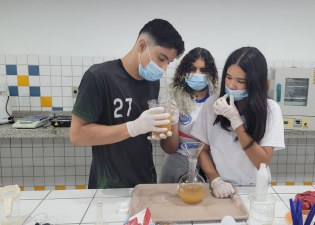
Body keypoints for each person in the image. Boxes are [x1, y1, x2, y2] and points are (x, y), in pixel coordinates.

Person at [69, 19, 185, 189]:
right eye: (161, 58)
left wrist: (168, 124)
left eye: (169, 62)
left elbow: (152, 135)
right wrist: (133, 127)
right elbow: (77, 135)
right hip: (108, 185)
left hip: (145, 183)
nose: (163, 68)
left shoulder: (152, 82)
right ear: (142, 45)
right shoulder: (98, 77)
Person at [190, 47, 285, 198]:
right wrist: (215, 180)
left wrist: (237, 122)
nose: (231, 85)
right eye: (228, 77)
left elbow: (262, 162)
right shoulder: (212, 104)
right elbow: (201, 149)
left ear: (255, 83)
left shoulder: (271, 110)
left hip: (255, 189)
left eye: (241, 81)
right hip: (220, 188)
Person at [160, 47, 219, 183]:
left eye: (203, 70)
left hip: (210, 164)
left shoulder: (217, 100)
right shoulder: (173, 99)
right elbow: (169, 148)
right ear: (184, 71)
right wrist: (173, 123)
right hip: (177, 163)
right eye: (193, 69)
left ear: (210, 74)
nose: (197, 74)